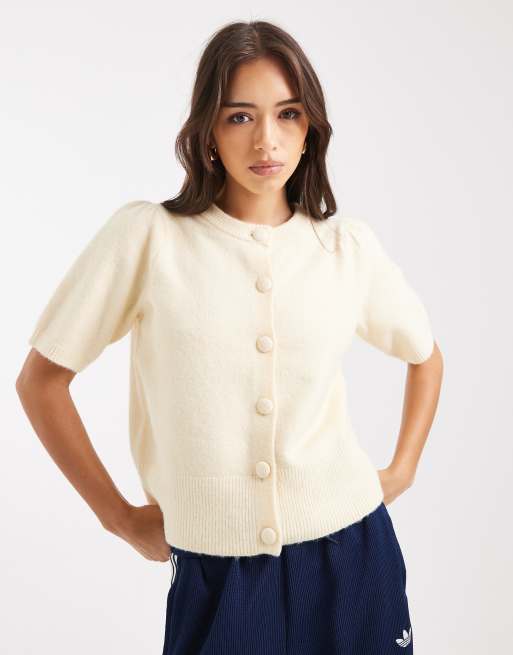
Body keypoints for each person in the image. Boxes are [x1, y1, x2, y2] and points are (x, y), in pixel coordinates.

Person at [16, 19, 443, 655]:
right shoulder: (150, 239)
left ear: (310, 127)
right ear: (208, 131)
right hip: (218, 575)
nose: (267, 140)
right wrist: (119, 517)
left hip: (354, 558)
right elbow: (42, 381)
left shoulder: (343, 248)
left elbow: (425, 356)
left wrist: (402, 469)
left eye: (288, 114)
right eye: (240, 117)